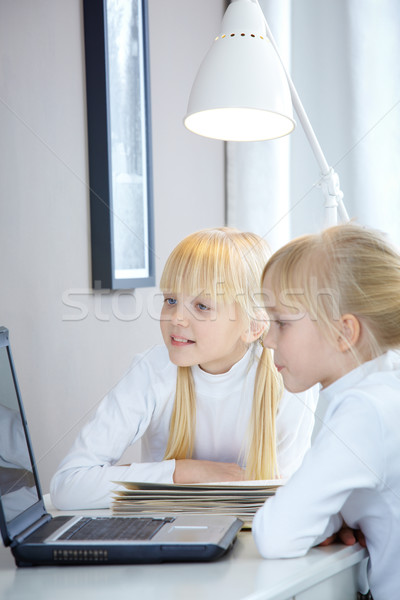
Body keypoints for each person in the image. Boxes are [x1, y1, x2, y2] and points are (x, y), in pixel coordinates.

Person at [50, 227, 318, 510]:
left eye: (202, 306)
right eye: (171, 300)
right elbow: (68, 486)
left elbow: (288, 501)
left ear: (253, 326)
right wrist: (188, 472)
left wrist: (136, 477)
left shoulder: (286, 380)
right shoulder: (151, 372)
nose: (176, 318)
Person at [252, 223, 400, 600]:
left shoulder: (364, 411)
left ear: (343, 332)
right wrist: (335, 515)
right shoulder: (385, 383)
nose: (267, 339)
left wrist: (325, 518)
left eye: (281, 323)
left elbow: (277, 535)